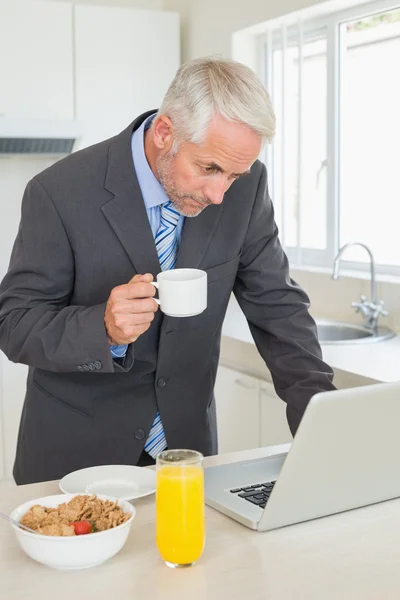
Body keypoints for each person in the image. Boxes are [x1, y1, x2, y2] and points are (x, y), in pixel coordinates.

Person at [0, 57, 335, 485]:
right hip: (77, 457)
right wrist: (101, 328)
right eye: (209, 168)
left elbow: (279, 308)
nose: (219, 194)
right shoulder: (58, 192)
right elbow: (14, 323)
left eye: (234, 175)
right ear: (164, 132)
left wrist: (322, 425)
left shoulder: (244, 190)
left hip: (187, 454)